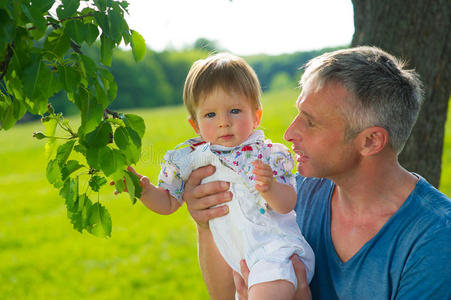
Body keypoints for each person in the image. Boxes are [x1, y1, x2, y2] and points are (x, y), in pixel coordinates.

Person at [183, 46, 451, 300]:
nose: (289, 133)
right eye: (298, 113)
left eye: (310, 122)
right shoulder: (293, 191)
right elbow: (227, 293)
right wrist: (208, 224)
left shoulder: (435, 240)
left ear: (370, 141)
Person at [127, 53, 315, 300]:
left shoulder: (266, 154)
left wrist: (269, 188)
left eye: (235, 111)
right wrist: (141, 189)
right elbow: (168, 203)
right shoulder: (189, 158)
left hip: (277, 252)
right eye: (210, 115)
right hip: (243, 264)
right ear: (195, 125)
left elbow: (287, 203)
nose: (224, 122)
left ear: (256, 116)